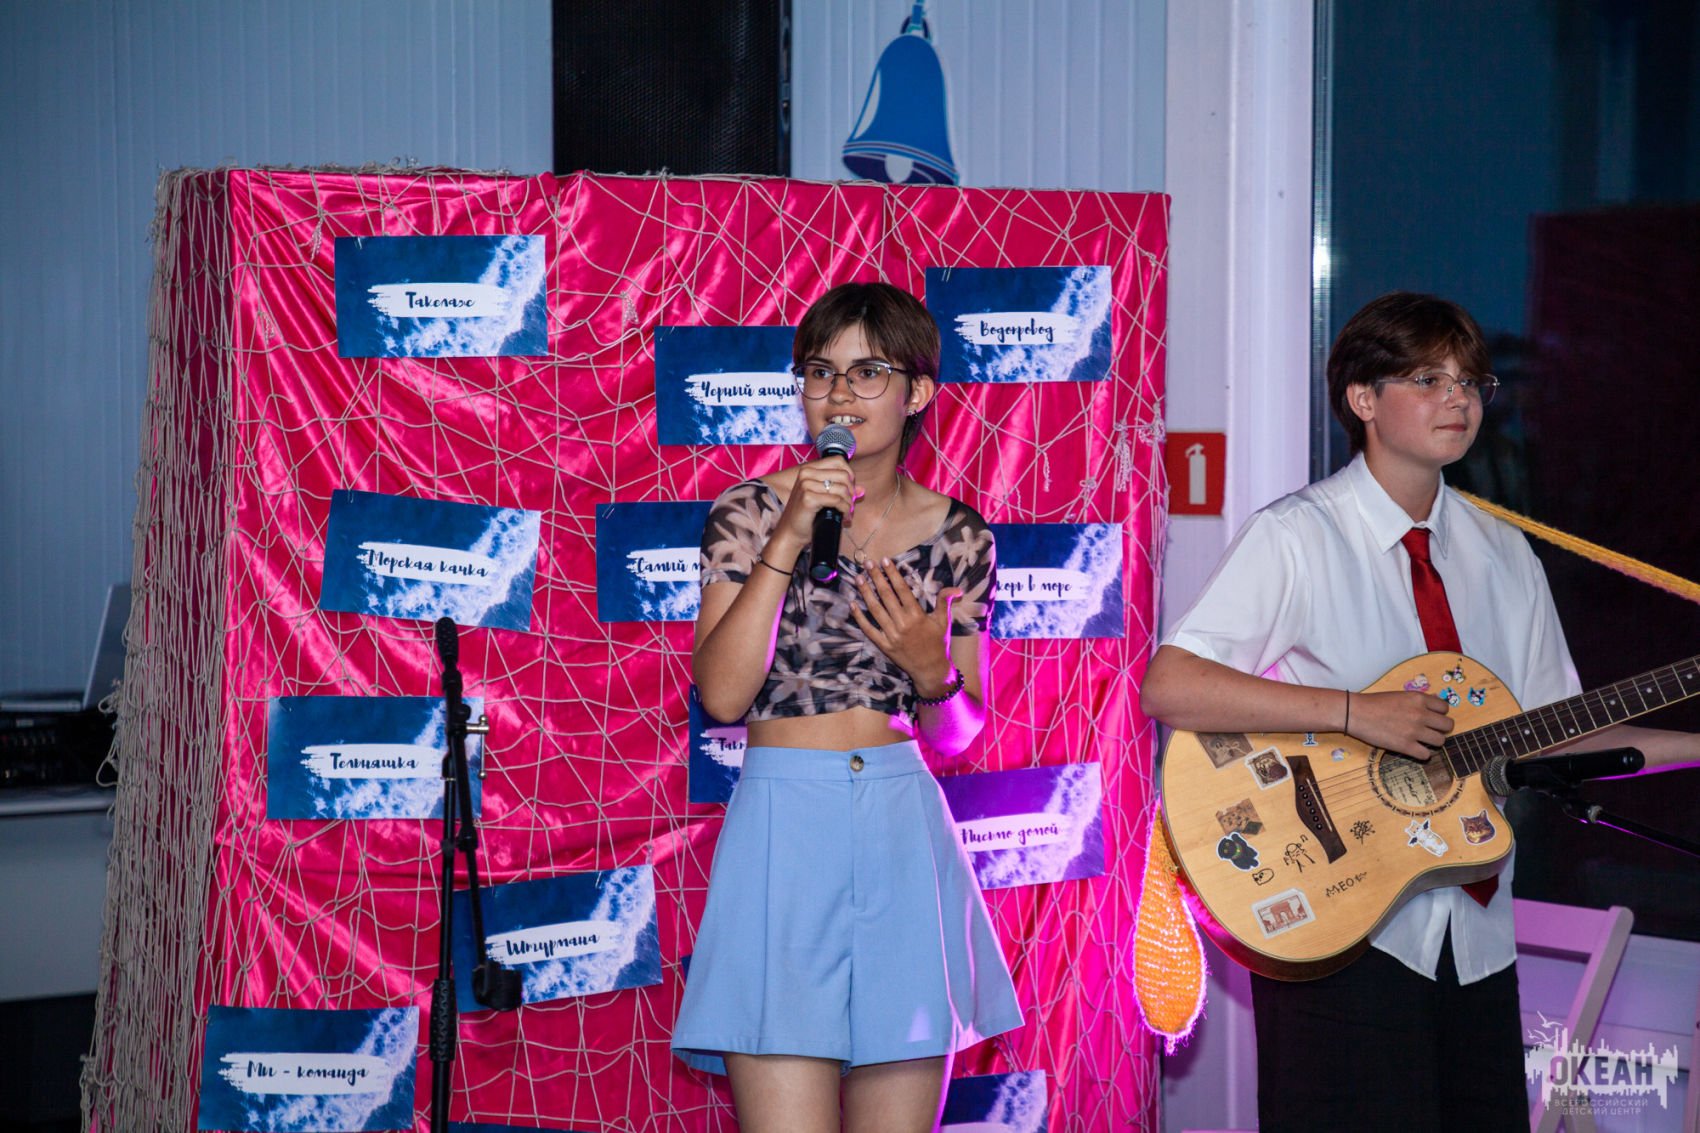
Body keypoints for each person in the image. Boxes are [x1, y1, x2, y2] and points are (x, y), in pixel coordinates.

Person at [1140, 292, 1699, 1131]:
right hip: (1337, 921)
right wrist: (1352, 711)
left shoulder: (1505, 555)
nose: (1459, 399)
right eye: (1429, 379)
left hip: (1477, 939)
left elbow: (1564, 729)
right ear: (1363, 398)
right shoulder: (1297, 536)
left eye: (1472, 382)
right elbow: (1172, 682)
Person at [671, 282, 1022, 1132]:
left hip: (902, 828)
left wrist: (932, 674)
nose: (838, 393)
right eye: (820, 372)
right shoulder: (751, 511)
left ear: (918, 392)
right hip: (783, 830)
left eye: (869, 372)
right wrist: (789, 539)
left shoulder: (961, 536)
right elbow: (722, 694)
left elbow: (959, 733)